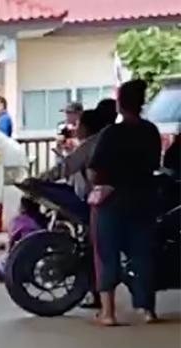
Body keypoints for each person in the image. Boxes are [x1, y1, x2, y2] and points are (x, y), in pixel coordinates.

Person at [87, 79, 163, 326]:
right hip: (143, 199)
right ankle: (147, 310)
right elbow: (154, 165)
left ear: (120, 104)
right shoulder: (150, 131)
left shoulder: (112, 133)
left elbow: (95, 170)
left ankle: (108, 313)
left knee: (106, 255)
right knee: (142, 255)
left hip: (113, 202)